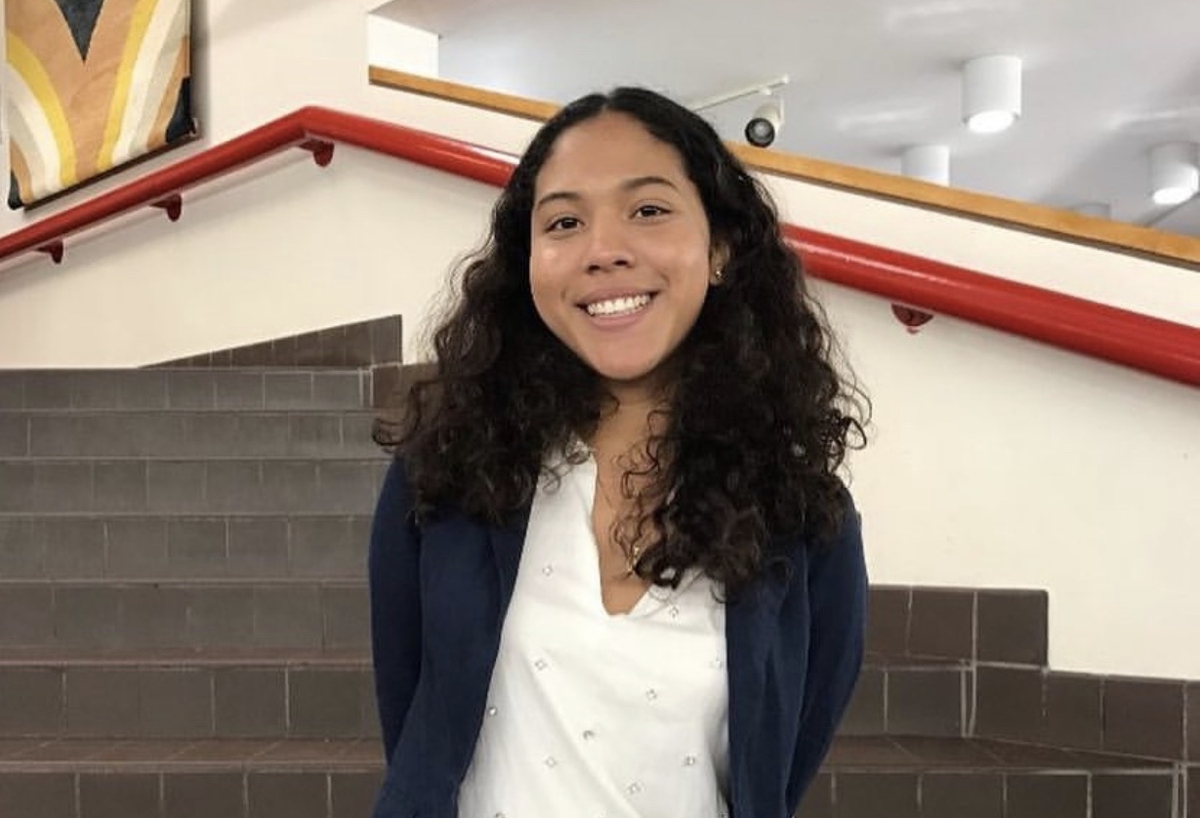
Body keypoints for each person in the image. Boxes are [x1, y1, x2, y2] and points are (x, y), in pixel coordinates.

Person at [368, 86, 869, 818]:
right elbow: (415, 723)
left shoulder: (802, 514)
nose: (603, 251)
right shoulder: (442, 475)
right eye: (565, 221)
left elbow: (782, 759)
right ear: (529, 261)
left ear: (721, 247)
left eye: (649, 210)